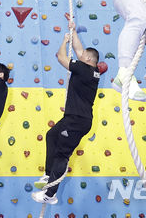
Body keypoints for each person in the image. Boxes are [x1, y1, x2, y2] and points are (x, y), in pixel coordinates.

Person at [32, 23, 101, 205]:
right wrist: (73, 31)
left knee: (62, 154)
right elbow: (79, 50)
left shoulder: (84, 69)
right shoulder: (91, 70)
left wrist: (64, 40)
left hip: (77, 120)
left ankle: (50, 194)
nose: (80, 54)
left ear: (87, 58)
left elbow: (61, 57)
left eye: (83, 54)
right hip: (73, 118)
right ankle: (48, 175)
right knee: (51, 135)